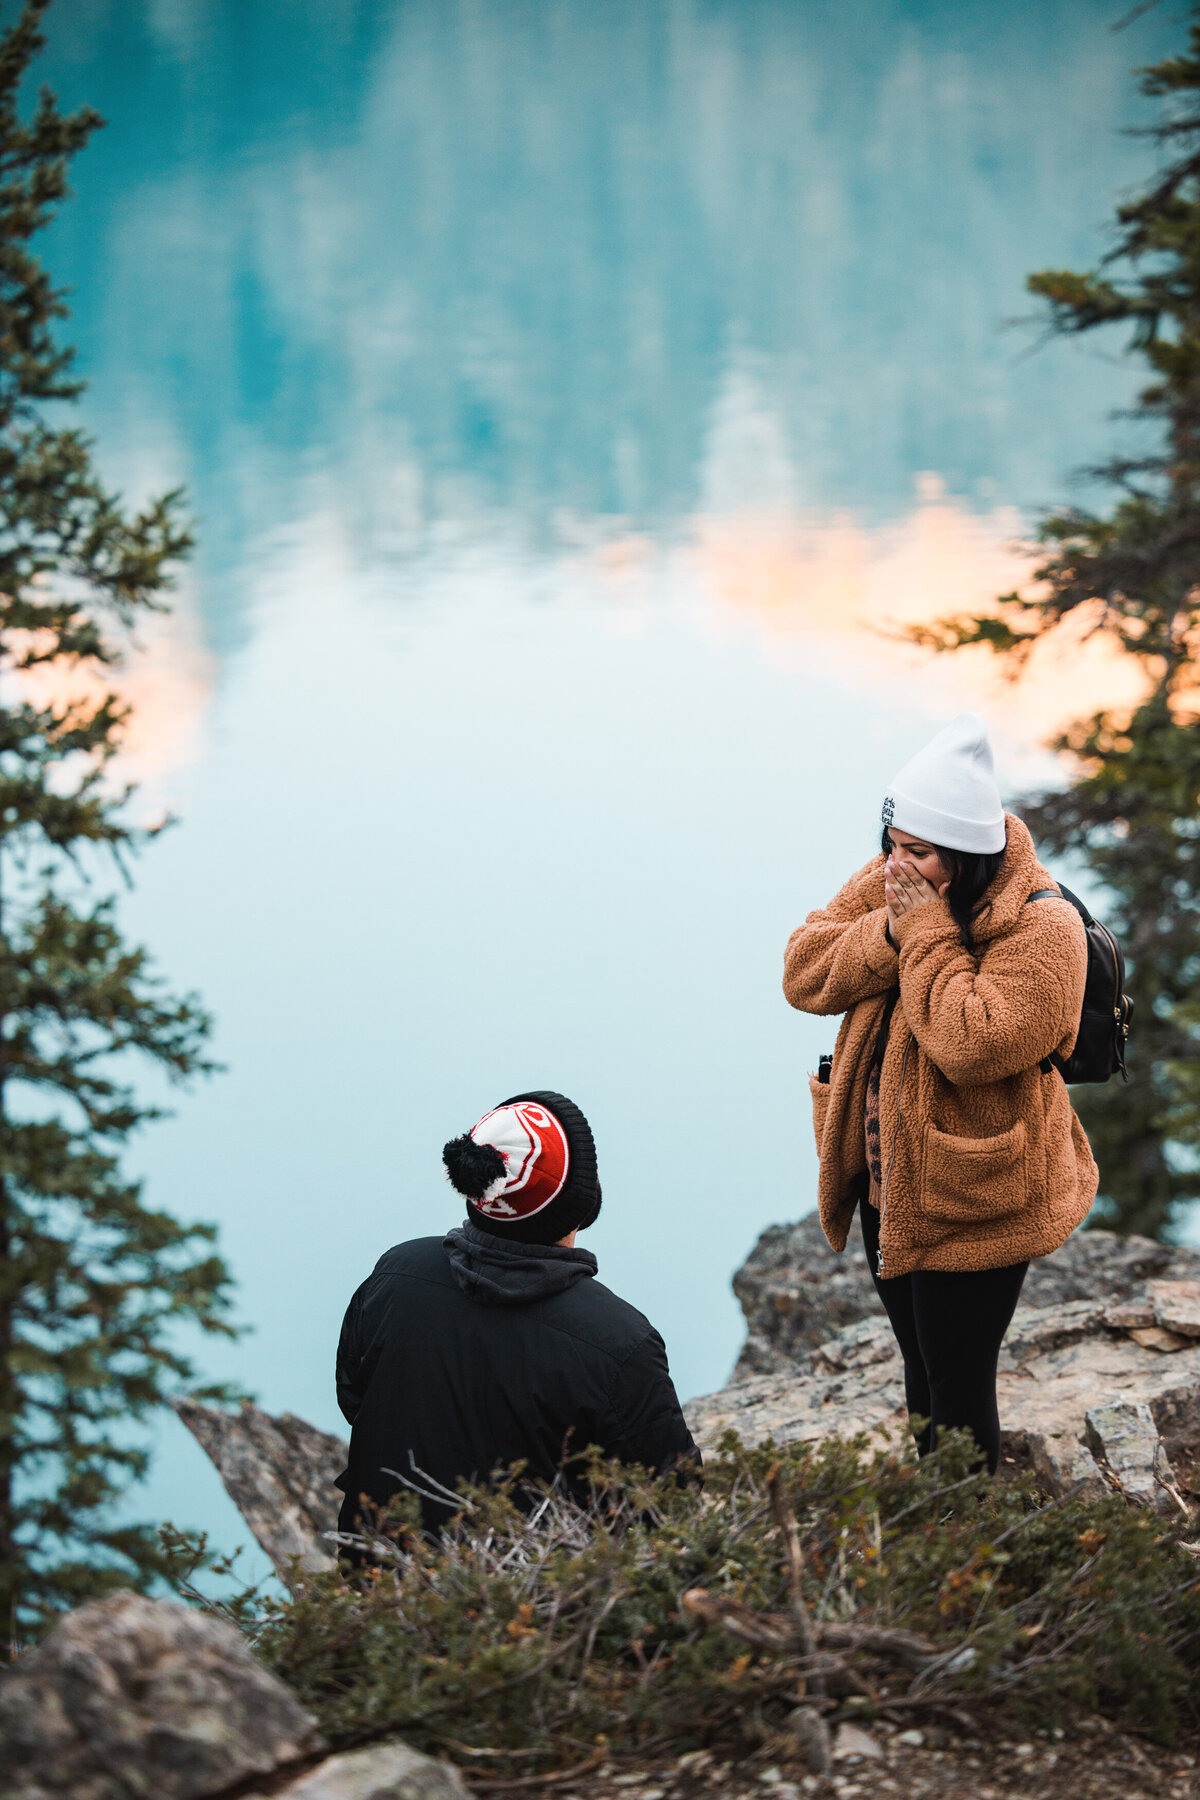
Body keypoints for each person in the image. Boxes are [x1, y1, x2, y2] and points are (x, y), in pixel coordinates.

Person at [783, 713, 1098, 1474]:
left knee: (958, 1382)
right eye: (890, 846)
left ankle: (963, 1548)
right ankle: (938, 1520)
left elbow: (973, 1045)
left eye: (917, 854)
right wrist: (890, 934)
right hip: (888, 1183)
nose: (895, 867)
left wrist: (921, 934)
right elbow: (803, 972)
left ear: (966, 853)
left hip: (975, 1192)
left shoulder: (1042, 929)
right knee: (920, 1365)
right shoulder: (897, 875)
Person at [335, 1089, 699, 1539]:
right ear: (581, 1203)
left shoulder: (397, 1272)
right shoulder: (619, 1341)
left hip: (377, 1577)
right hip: (534, 1598)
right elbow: (670, 1502)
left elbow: (354, 1399)